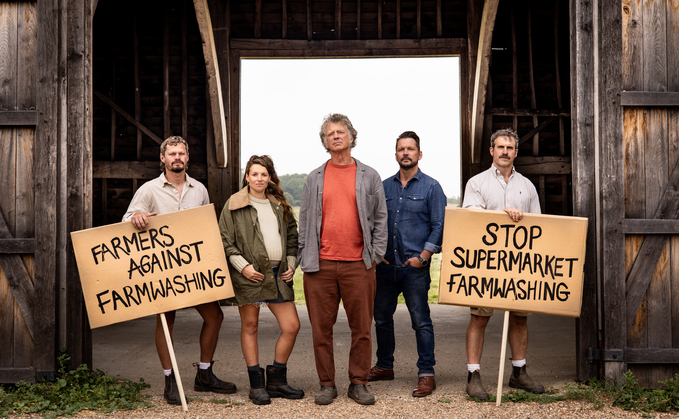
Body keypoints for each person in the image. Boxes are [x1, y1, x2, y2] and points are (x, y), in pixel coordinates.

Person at [122, 136, 236, 405]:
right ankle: (169, 380)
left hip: (194, 268)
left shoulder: (199, 190)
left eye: (181, 153)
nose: (177, 158)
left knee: (215, 316)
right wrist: (135, 218)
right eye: (172, 153)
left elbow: (205, 225)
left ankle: (205, 374)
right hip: (162, 269)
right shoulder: (149, 190)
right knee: (166, 320)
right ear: (162, 158)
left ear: (187, 157)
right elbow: (126, 222)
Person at [297, 113, 388, 406]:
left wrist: (375, 255)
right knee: (321, 330)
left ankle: (358, 382)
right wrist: (303, 254)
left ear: (351, 136)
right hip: (319, 265)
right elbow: (305, 219)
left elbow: (381, 219)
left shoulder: (369, 175)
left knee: (361, 328)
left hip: (359, 264)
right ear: (325, 141)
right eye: (329, 133)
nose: (335, 136)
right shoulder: (314, 177)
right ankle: (326, 384)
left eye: (340, 131)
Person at [461, 128, 544, 400]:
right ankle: (473, 375)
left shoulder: (527, 186)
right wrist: (503, 214)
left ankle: (518, 372)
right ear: (491, 151)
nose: (504, 152)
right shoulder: (476, 183)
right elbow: (472, 217)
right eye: (500, 147)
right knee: (479, 317)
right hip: (486, 263)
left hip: (519, 264)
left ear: (516, 152)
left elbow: (538, 225)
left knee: (520, 316)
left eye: (509, 148)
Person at [218, 155, 304, 405]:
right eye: (254, 174)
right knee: (251, 327)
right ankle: (256, 385)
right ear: (247, 176)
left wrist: (291, 262)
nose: (259, 178)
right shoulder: (234, 204)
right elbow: (225, 240)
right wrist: (242, 267)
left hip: (278, 274)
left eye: (264, 174)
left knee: (291, 326)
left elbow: (292, 236)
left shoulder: (279, 203)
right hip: (250, 276)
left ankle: (277, 380)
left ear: (269, 178)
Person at [368, 131, 446, 397]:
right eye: (401, 149)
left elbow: (439, 226)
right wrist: (378, 254)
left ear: (419, 154)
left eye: (410, 149)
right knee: (381, 319)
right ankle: (384, 366)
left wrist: (423, 257)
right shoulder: (384, 186)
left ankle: (426, 373)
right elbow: (373, 222)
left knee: (420, 321)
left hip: (414, 268)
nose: (406, 153)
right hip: (386, 266)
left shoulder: (432, 187)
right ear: (396, 155)